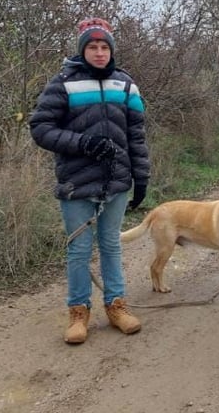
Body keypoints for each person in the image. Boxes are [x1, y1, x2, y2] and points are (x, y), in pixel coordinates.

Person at [30, 17, 150, 344]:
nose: (99, 52)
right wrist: (83, 143)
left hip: (116, 183)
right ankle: (78, 312)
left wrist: (141, 178)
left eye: (104, 47)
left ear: (111, 50)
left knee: (111, 245)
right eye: (93, 47)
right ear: (83, 50)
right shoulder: (63, 83)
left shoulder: (126, 85)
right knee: (79, 250)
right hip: (75, 184)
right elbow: (40, 128)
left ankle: (116, 306)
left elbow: (136, 137)